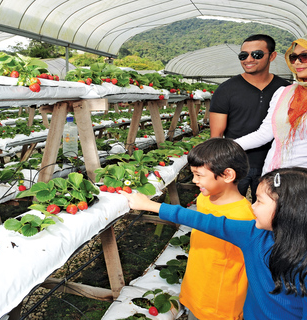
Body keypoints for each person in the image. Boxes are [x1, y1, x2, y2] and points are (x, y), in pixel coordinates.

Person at [121, 167, 307, 320]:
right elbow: (206, 221)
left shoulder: (297, 260)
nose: (253, 206)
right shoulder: (253, 234)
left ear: (288, 211)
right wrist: (150, 205)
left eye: (259, 201)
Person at [132, 138, 255, 320]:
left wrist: (151, 206)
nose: (195, 180)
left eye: (199, 175)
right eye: (193, 174)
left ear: (228, 175)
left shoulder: (243, 217)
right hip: (196, 285)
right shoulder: (205, 198)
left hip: (220, 302)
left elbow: (198, 220)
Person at [209, 34, 290, 202]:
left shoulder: (285, 90)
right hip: (235, 164)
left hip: (274, 165)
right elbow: (216, 135)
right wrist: (216, 167)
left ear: (272, 56)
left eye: (257, 54)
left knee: (270, 213)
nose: (249, 59)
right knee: (229, 211)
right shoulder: (226, 90)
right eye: (243, 55)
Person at [235, 36, 307, 175]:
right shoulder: (284, 92)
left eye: (304, 56)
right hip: (273, 173)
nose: (297, 62)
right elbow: (265, 133)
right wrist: (227, 146)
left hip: (302, 179)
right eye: (294, 58)